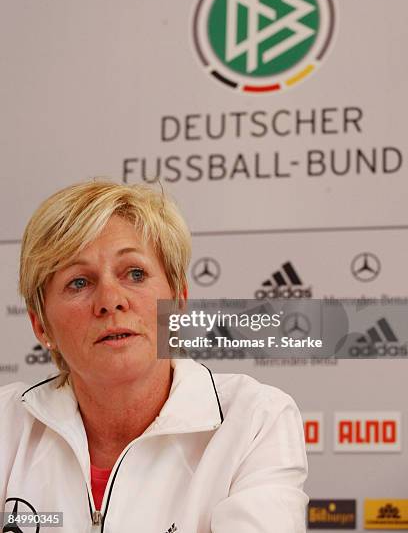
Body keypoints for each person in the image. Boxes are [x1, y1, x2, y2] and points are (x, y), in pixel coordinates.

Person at [0, 180, 308, 532]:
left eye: (135, 273)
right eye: (79, 282)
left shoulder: (254, 420)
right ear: (41, 326)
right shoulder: (5, 426)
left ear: (177, 301)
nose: (110, 301)